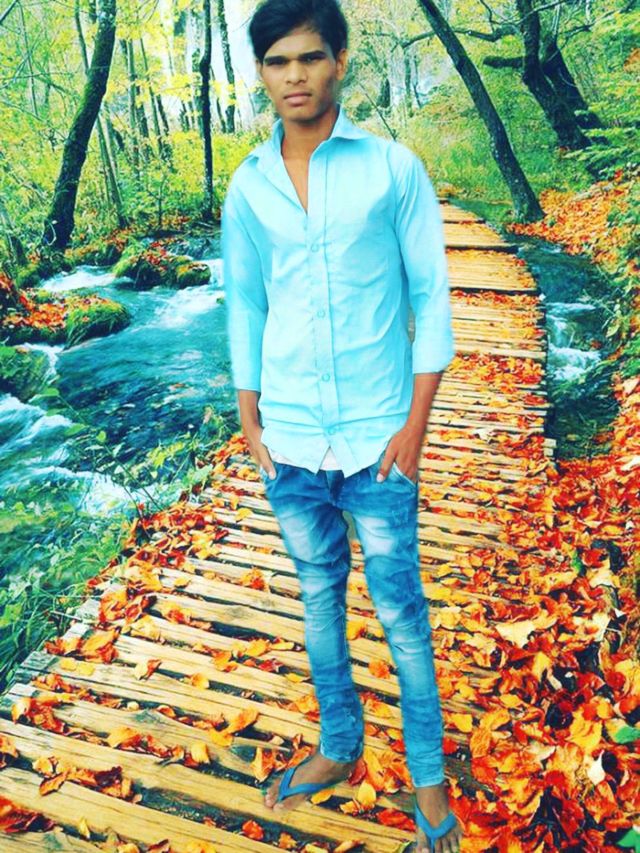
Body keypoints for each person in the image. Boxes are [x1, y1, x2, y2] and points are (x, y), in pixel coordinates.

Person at [222, 1, 463, 851]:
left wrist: (416, 425)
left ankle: (429, 778)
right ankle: (338, 744)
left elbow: (431, 294)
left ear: (341, 59)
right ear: (262, 72)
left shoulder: (392, 170)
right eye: (278, 61)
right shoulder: (248, 186)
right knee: (319, 599)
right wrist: (248, 413)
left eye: (310, 57)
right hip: (289, 439)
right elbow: (245, 301)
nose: (295, 75)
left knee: (401, 613)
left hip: (377, 439)